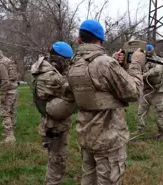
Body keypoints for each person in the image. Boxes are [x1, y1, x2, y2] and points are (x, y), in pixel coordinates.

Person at [67, 19, 144, 185]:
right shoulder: (105, 64)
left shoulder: (74, 63)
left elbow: (94, 82)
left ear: (79, 40)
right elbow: (134, 92)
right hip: (108, 140)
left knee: (88, 180)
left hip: (86, 136)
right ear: (101, 40)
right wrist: (136, 64)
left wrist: (113, 60)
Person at [31, 41, 75, 185]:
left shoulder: (44, 71)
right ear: (60, 61)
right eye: (67, 61)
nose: (68, 65)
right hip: (55, 127)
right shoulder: (52, 78)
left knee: (54, 160)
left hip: (50, 123)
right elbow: (72, 92)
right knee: (57, 163)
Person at [137, 44, 163, 137]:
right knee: (141, 112)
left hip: (156, 91)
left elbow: (157, 71)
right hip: (145, 91)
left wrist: (144, 75)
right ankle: (140, 131)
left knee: (159, 112)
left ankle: (161, 132)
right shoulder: (142, 61)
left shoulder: (160, 60)